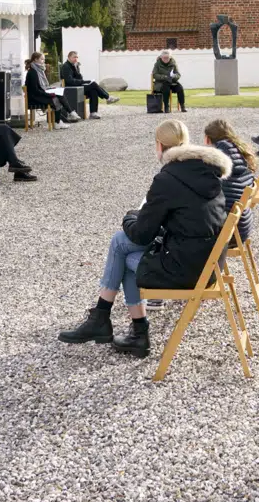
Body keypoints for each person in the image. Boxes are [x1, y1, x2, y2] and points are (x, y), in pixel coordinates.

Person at [58, 119, 229, 357]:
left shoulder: (168, 178)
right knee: (123, 248)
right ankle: (117, 324)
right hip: (207, 263)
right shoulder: (206, 171)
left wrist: (129, 217)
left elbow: (141, 235)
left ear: (159, 145)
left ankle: (116, 323)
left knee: (122, 247)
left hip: (187, 271)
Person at [204, 119, 256, 242]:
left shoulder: (218, 162)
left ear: (208, 139)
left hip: (227, 234)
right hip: (242, 226)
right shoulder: (241, 154)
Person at [25, 52, 80, 128]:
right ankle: (61, 120)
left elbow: (41, 87)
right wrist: (48, 94)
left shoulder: (39, 70)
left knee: (59, 94)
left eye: (44, 59)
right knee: (56, 98)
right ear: (35, 59)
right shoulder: (33, 72)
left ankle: (63, 118)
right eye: (42, 59)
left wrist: (50, 90)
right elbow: (35, 90)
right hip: (34, 98)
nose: (44, 61)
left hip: (38, 94)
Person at [60, 51, 110, 119]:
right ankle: (107, 97)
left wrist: (76, 69)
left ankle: (93, 113)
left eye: (76, 57)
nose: (76, 59)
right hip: (70, 89)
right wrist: (84, 81)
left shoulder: (73, 66)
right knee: (93, 84)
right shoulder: (65, 66)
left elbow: (80, 78)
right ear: (69, 57)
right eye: (74, 57)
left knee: (93, 90)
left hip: (77, 88)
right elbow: (70, 81)